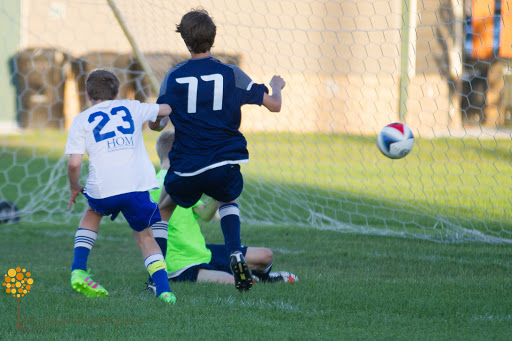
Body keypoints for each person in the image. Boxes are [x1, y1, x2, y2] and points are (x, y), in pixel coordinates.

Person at [155, 8, 286, 292]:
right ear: (213, 38)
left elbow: (159, 122)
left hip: (187, 163)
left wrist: (156, 118)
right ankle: (235, 251)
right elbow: (274, 105)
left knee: (163, 211)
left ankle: (158, 277)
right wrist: (276, 86)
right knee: (228, 199)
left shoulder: (173, 77)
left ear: (184, 39)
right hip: (224, 160)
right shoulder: (230, 73)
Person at [65, 69, 176, 304]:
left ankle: (79, 270)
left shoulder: (81, 119)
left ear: (87, 95)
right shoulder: (132, 106)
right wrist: (159, 117)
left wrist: (75, 187)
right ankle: (164, 290)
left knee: (92, 212)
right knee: (146, 237)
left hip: (102, 187)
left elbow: (74, 164)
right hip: (137, 186)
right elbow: (165, 109)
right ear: (117, 93)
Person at [147, 131, 297, 289]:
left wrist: (220, 191)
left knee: (266, 256)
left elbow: (205, 214)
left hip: (201, 252)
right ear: (179, 150)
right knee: (234, 282)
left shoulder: (181, 179)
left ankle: (263, 277)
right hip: (180, 264)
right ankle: (252, 277)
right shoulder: (162, 184)